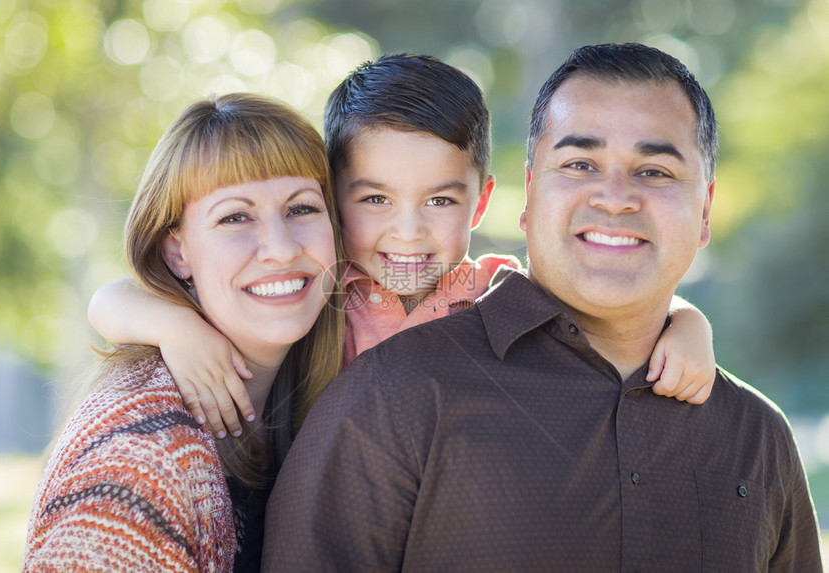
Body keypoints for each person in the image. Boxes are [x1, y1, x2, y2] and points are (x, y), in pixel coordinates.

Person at [261, 43, 823, 571]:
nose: (615, 196)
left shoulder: (757, 437)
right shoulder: (382, 387)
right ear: (529, 197)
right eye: (580, 164)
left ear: (704, 210)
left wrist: (688, 319)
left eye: (654, 171)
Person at [88, 53, 717, 442]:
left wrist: (689, 324)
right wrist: (177, 330)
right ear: (333, 199)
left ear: (480, 199)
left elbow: (603, 311)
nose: (409, 234)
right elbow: (109, 301)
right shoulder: (316, 295)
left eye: (440, 202)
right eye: (375, 200)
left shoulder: (498, 291)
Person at [22, 93, 344, 572]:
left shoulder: (327, 377)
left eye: (301, 209)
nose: (280, 247)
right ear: (177, 252)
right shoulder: (138, 462)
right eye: (235, 216)